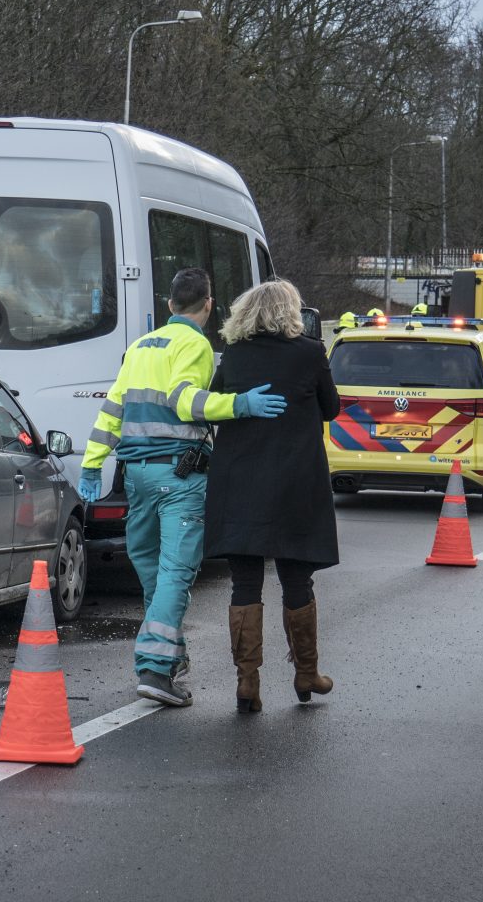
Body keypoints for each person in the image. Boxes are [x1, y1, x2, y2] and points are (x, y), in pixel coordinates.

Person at [76, 267, 288, 707]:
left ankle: (167, 657)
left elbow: (113, 408)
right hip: (179, 475)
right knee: (175, 571)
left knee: (150, 564)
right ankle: (154, 667)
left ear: (169, 304)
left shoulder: (139, 346)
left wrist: (92, 465)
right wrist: (239, 404)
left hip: (136, 476)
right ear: (208, 305)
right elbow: (186, 401)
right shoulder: (195, 345)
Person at [202, 280, 343, 714]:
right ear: (290, 313)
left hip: (240, 483)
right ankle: (306, 673)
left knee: (245, 583)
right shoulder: (309, 352)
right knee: (297, 579)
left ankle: (247, 682)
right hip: (294, 484)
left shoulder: (235, 355)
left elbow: (218, 401)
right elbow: (331, 407)